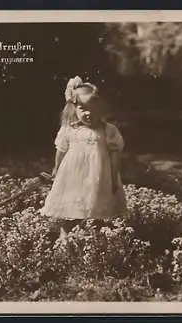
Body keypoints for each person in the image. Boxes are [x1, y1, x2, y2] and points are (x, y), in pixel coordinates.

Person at [41, 76, 127, 239]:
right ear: (74, 109)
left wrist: (114, 179)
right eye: (82, 108)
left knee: (97, 213)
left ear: (100, 109)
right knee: (71, 213)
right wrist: (56, 170)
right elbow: (61, 150)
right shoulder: (69, 130)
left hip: (98, 179)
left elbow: (115, 155)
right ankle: (64, 242)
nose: (88, 113)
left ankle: (93, 246)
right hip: (73, 179)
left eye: (92, 109)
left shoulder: (108, 131)